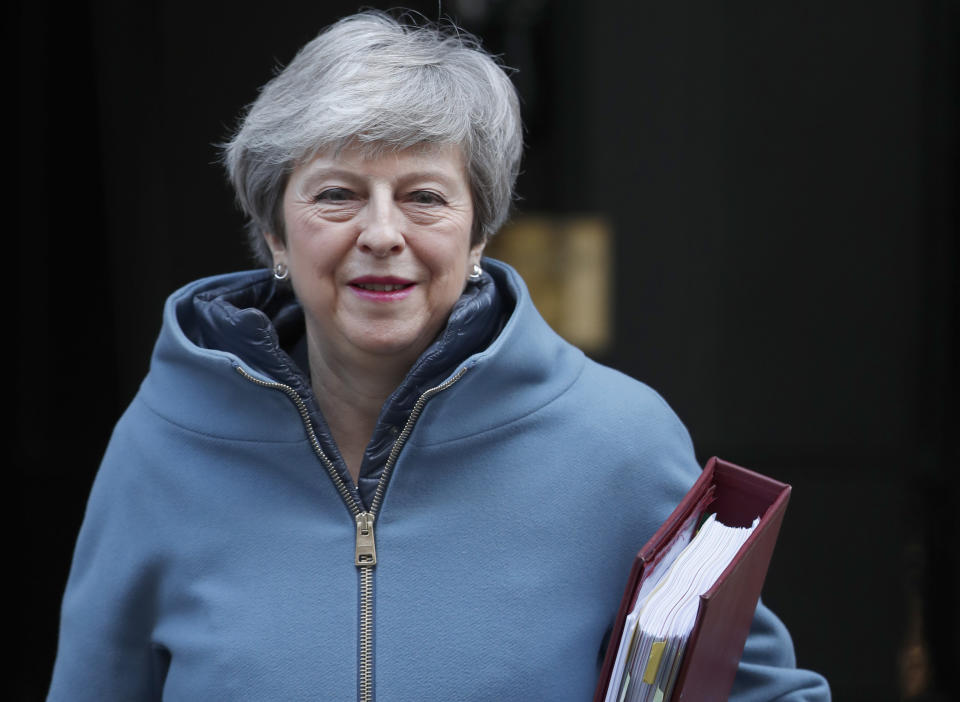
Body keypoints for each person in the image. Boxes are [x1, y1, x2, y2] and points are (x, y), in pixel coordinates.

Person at [48, 10, 830, 701]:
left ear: (478, 231)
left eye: (424, 196)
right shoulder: (162, 446)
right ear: (276, 236)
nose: (382, 233)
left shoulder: (617, 443)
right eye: (336, 195)